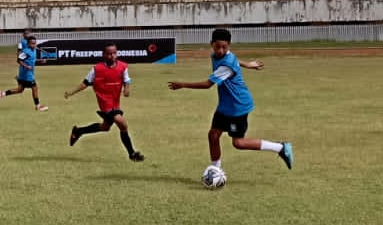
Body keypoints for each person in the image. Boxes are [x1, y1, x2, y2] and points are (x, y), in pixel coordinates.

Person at [168, 27, 293, 174]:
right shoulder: (217, 55)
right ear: (211, 44)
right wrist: (248, 64)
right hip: (225, 105)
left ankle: (281, 148)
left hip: (237, 106)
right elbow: (234, 58)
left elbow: (208, 85)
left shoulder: (226, 65)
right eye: (217, 46)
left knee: (238, 143)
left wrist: (182, 84)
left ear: (229, 46)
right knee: (213, 135)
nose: (220, 50)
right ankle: (216, 168)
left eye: (224, 47)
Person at [66, 42, 144, 161]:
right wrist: (72, 92)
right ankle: (132, 153)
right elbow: (85, 83)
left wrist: (126, 89)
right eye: (109, 54)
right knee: (121, 123)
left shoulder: (123, 66)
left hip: (115, 103)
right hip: (105, 103)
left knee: (105, 127)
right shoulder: (97, 69)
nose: (112, 56)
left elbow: (126, 79)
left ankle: (78, 131)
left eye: (114, 53)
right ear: (104, 54)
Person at [0, 32, 47, 111]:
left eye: (35, 43)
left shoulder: (33, 50)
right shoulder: (26, 51)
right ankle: (38, 106)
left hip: (23, 75)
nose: (34, 45)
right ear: (28, 44)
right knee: (35, 88)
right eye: (32, 44)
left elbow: (32, 60)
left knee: (20, 90)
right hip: (27, 75)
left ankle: (2, 93)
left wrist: (39, 60)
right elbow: (18, 60)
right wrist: (26, 66)